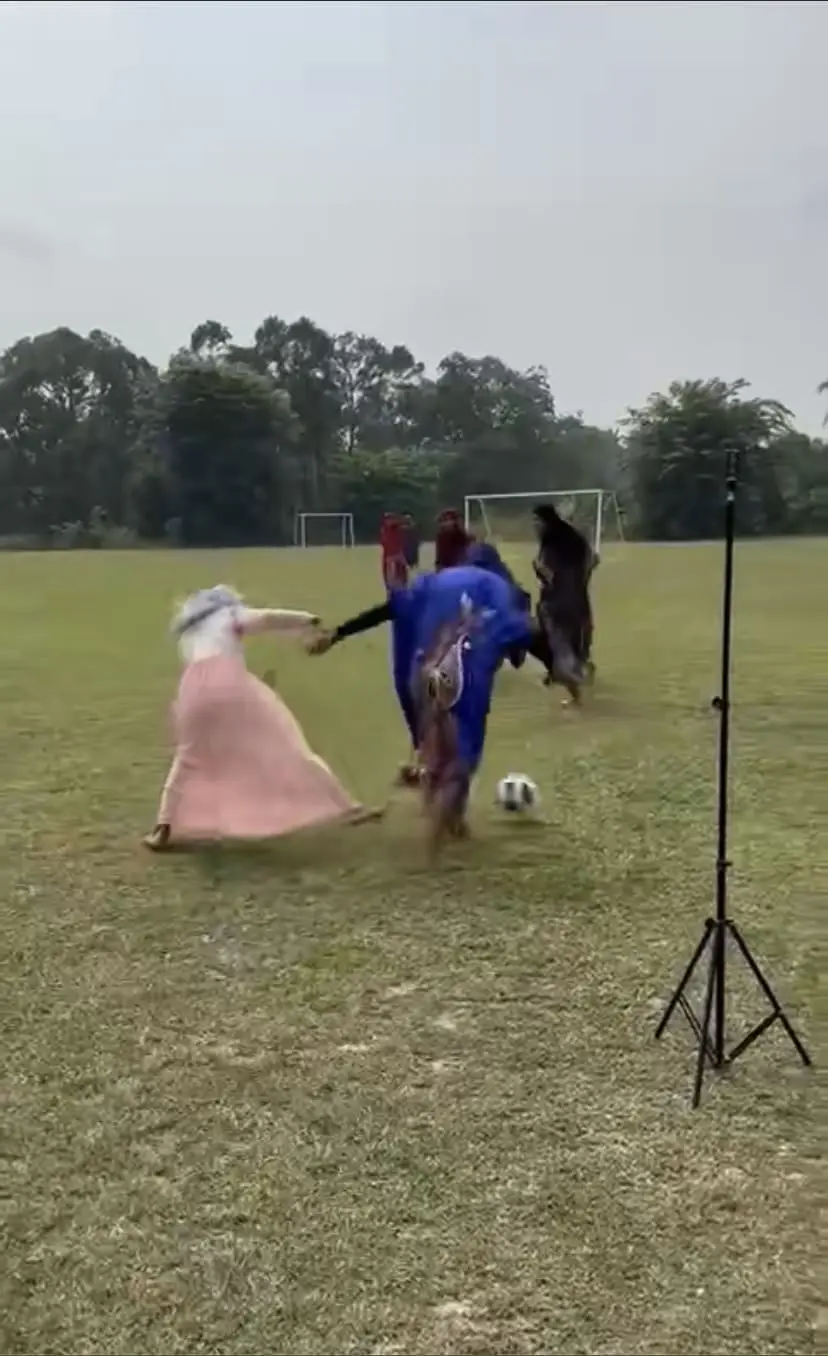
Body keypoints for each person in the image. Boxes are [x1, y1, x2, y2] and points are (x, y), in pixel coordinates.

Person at [308, 566, 552, 855]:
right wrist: (556, 667)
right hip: (465, 679)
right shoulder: (504, 604)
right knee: (460, 764)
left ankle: (450, 823)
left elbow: (388, 609)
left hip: (424, 673)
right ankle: (433, 851)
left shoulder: (431, 587)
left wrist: (337, 633)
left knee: (436, 754)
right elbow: (534, 633)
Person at [143, 586, 379, 851]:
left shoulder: (190, 633)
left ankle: (163, 826)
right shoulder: (231, 614)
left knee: (187, 756)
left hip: (192, 690)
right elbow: (268, 618)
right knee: (291, 746)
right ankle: (348, 806)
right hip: (231, 684)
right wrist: (306, 619)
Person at [532, 503, 596, 702]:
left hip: (556, 600)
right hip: (578, 596)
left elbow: (546, 573)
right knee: (577, 634)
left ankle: (572, 689)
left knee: (555, 639)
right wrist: (582, 581)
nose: (534, 526)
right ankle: (580, 666)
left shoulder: (549, 542)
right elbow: (593, 560)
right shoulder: (574, 537)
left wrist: (539, 570)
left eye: (536, 521)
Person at [380, 512, 409, 590]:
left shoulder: (394, 528)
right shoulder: (388, 528)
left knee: (401, 576)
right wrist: (404, 518)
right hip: (391, 556)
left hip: (396, 555)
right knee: (392, 579)